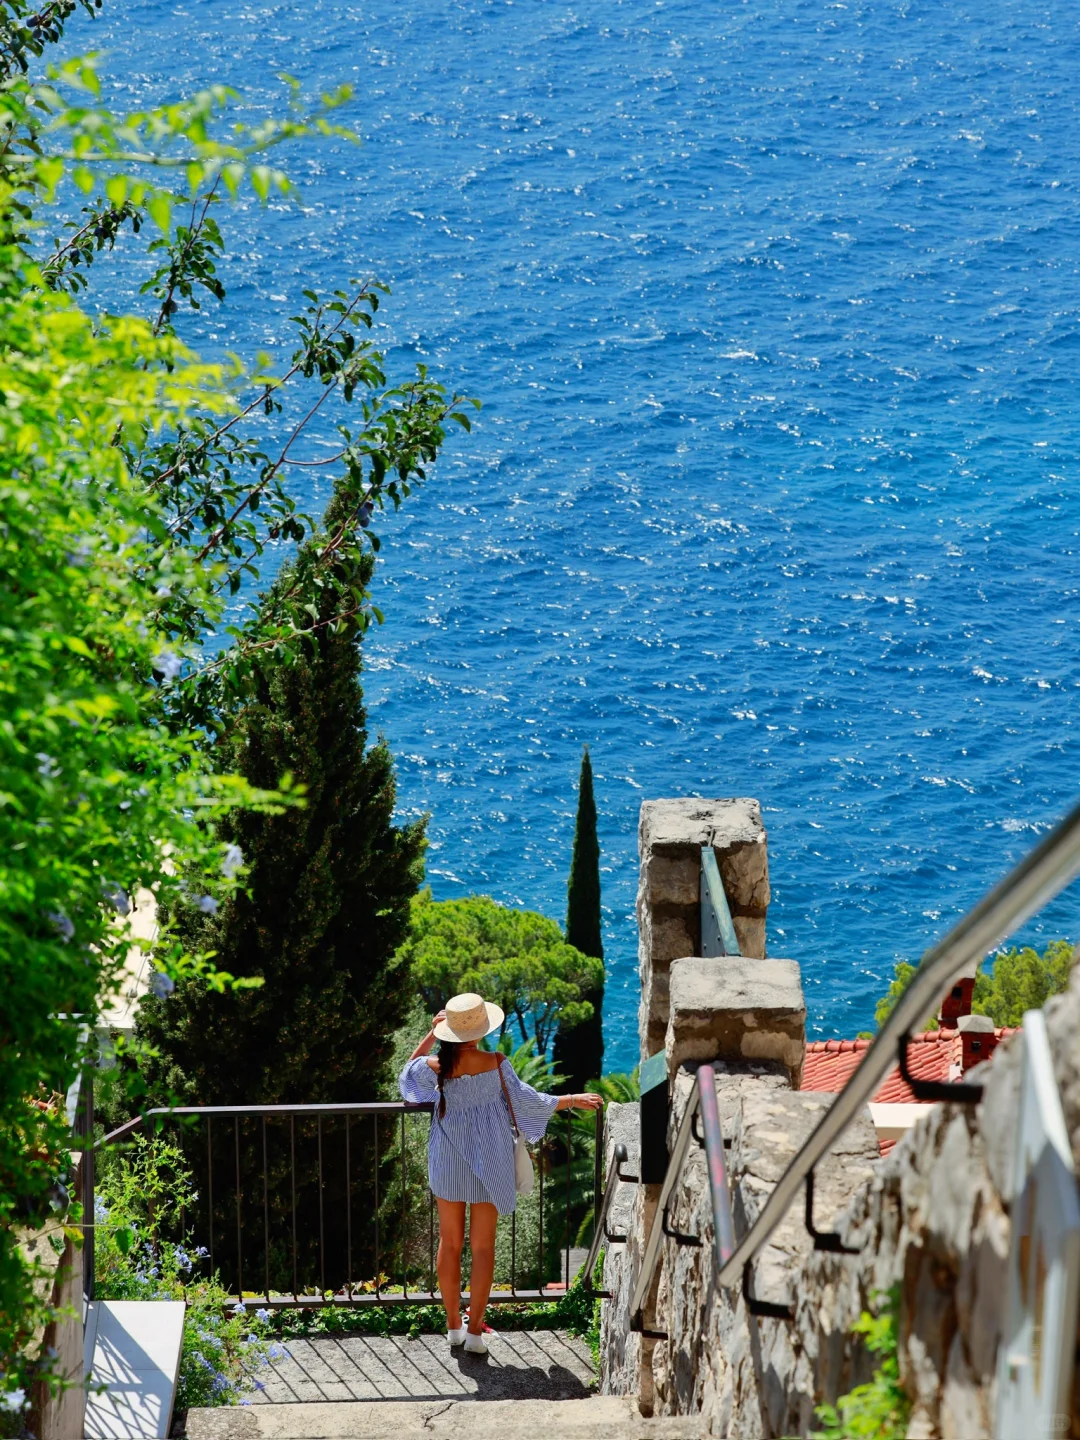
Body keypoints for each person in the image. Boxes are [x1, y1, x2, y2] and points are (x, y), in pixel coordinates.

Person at [399, 991, 603, 1354]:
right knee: (483, 1248)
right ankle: (475, 1332)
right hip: (490, 1160)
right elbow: (528, 1100)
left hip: (447, 1157)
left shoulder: (436, 1067)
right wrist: (571, 1099)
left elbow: (406, 1076)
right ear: (479, 1030)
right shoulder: (495, 1061)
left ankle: (453, 1327)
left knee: (449, 1244)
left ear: (448, 1032)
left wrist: (431, 1034)